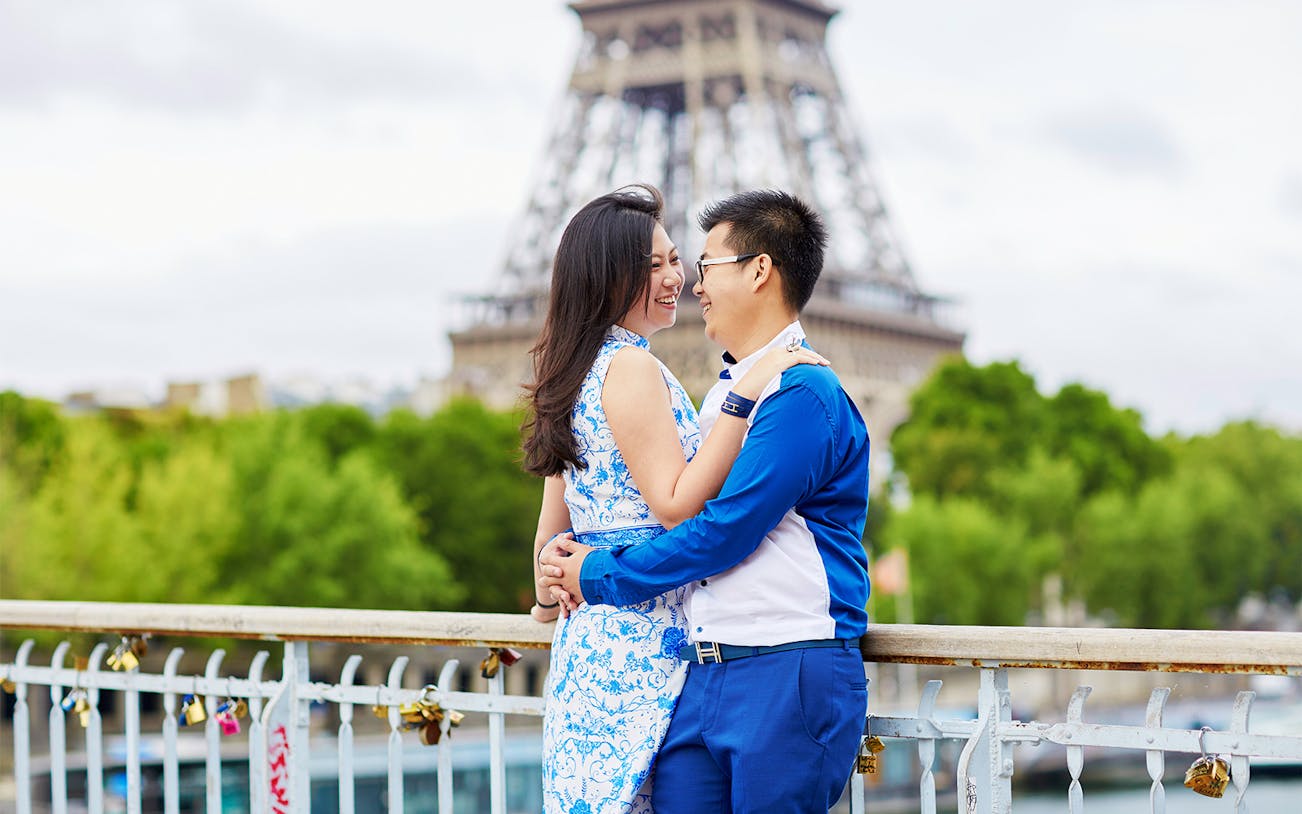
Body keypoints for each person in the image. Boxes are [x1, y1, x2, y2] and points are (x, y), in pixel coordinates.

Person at [539, 189, 872, 813]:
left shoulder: (800, 390)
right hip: (699, 668)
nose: (690, 283)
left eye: (702, 266)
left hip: (781, 666)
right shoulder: (724, 394)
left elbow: (722, 531)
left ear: (759, 270)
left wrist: (593, 574)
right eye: (667, 265)